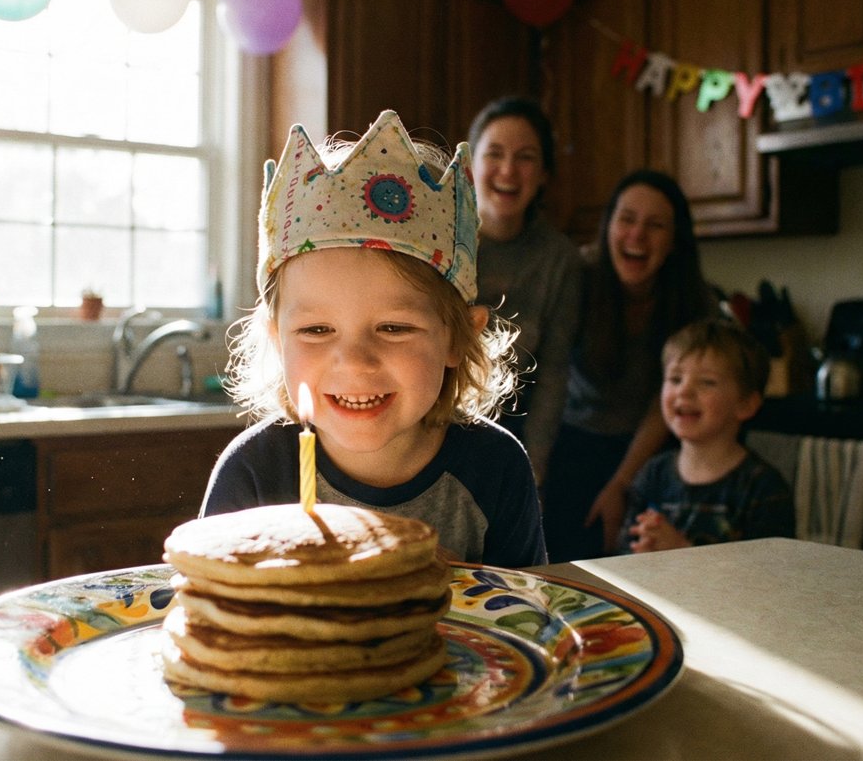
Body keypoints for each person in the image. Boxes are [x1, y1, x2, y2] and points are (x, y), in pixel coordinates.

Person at [202, 109, 548, 569]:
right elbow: (210, 612)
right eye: (316, 330)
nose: (356, 362)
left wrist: (461, 587)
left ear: (457, 339)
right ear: (276, 339)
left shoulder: (496, 468)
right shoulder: (254, 472)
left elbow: (525, 619)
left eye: (394, 328)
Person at [544, 169, 719, 562]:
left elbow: (668, 398)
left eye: (655, 225)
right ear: (608, 227)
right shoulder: (578, 275)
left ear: (675, 240)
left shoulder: (693, 299)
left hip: (653, 450)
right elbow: (549, 368)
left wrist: (623, 483)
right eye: (626, 219)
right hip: (572, 445)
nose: (637, 235)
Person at [468, 95, 582, 481]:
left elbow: (553, 373)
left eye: (526, 157)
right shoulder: (441, 242)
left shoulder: (560, 259)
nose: (508, 170)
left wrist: (534, 468)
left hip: (514, 430)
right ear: (470, 166)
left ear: (545, 174)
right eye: (494, 154)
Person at [618, 318, 795, 553]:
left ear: (745, 404)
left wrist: (682, 550)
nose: (684, 391)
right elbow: (621, 554)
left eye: (707, 382)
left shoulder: (763, 489)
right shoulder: (652, 475)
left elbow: (771, 578)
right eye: (675, 379)